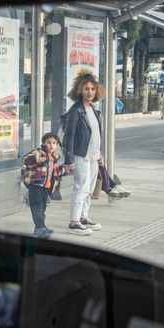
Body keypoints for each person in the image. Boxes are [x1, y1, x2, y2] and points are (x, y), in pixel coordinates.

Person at [63, 70, 105, 236]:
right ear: (80, 90)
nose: (90, 92)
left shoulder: (93, 109)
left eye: (92, 89)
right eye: (86, 89)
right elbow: (69, 137)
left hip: (93, 156)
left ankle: (84, 217)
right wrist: (68, 160)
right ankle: (74, 222)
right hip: (81, 155)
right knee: (81, 187)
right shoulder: (76, 111)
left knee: (90, 188)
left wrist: (100, 155)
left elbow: (95, 134)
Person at [21, 132, 71, 238]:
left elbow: (56, 171)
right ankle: (40, 228)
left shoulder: (54, 157)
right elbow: (25, 159)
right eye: (49, 143)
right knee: (37, 207)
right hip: (35, 185)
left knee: (42, 208)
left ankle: (40, 227)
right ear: (43, 143)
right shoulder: (39, 152)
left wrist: (66, 170)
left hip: (45, 187)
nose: (52, 145)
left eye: (54, 143)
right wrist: (39, 158)